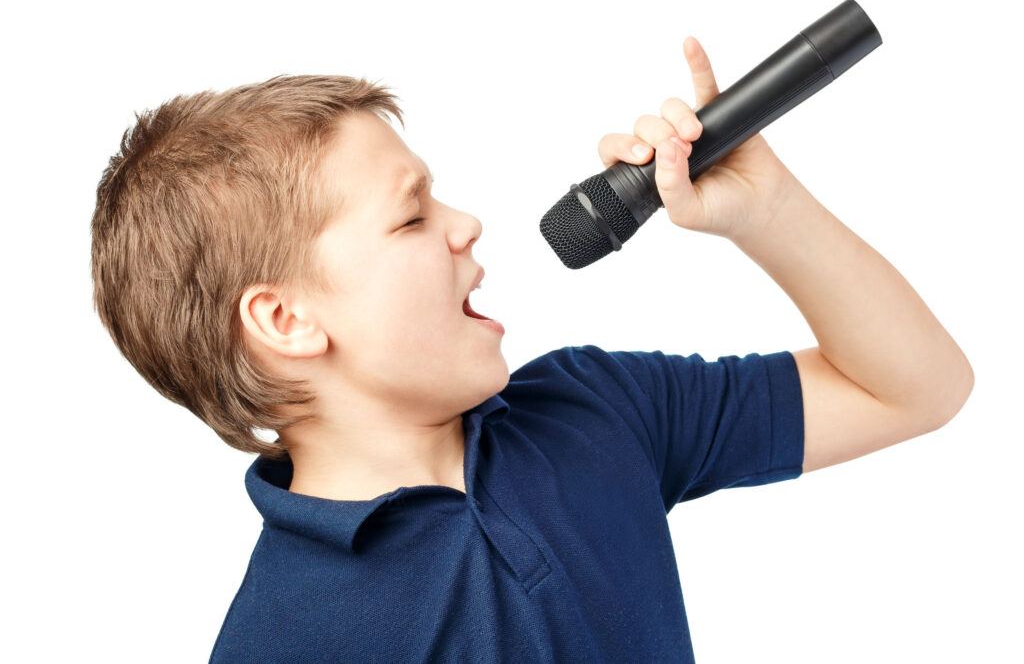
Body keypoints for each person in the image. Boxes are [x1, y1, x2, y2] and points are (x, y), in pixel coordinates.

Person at [90, 36, 973, 662]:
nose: (467, 223)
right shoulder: (285, 638)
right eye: (411, 215)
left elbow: (917, 388)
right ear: (286, 320)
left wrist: (770, 210)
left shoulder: (595, 407)